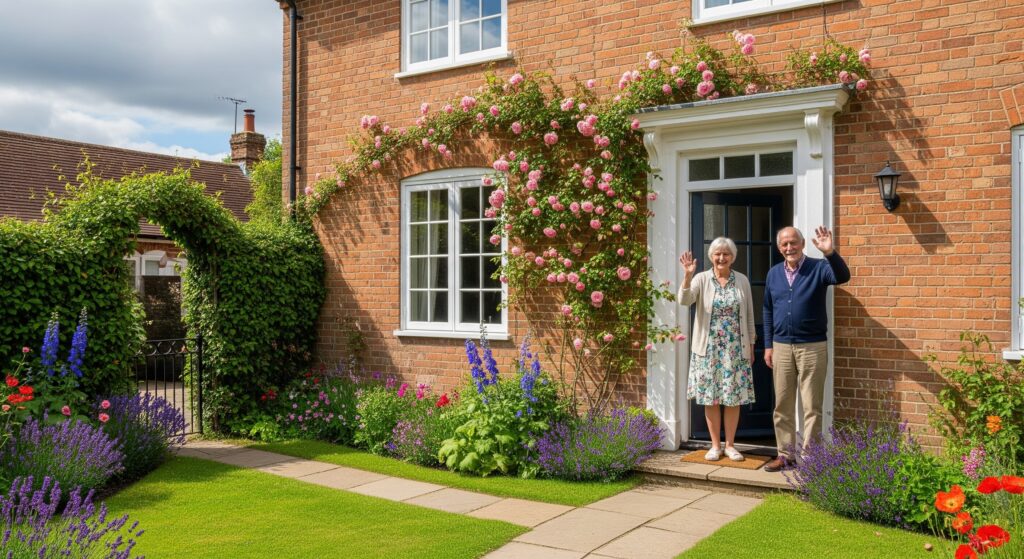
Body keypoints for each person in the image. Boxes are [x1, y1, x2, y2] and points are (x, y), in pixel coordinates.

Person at [762, 226, 851, 473]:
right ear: (779, 247)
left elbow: (843, 277)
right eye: (784, 244)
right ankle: (785, 455)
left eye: (793, 243)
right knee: (782, 405)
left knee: (811, 406)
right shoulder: (773, 274)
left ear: (802, 244)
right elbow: (767, 310)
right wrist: (768, 344)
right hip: (780, 346)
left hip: (812, 346)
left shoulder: (819, 267)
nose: (789, 248)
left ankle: (810, 457)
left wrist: (830, 252)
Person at [678, 237, 756, 462]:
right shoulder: (702, 279)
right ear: (711, 256)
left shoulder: (741, 280)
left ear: (732, 257)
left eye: (726, 254)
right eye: (717, 254)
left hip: (735, 349)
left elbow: (749, 315)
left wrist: (751, 344)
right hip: (708, 349)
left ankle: (731, 446)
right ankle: (714, 446)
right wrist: (687, 276)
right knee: (711, 398)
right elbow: (685, 301)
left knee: (733, 398)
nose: (722, 258)